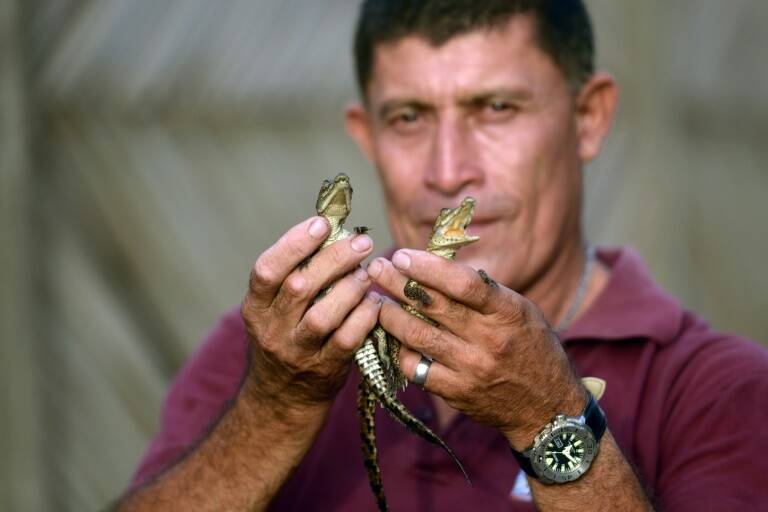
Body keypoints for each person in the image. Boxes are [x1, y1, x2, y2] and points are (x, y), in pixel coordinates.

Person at [116, 1, 768, 510]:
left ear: (589, 118)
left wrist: (549, 420)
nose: (448, 170)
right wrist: (276, 410)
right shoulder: (272, 350)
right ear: (364, 136)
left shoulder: (715, 388)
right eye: (409, 118)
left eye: (496, 108)